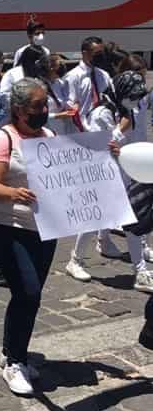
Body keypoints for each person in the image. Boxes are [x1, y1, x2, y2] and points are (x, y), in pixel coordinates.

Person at [0, 78, 57, 396]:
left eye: (45, 104)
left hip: (45, 229)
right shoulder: (3, 139)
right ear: (18, 109)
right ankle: (14, 361)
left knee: (32, 295)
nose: (44, 110)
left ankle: (15, 353)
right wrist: (14, 192)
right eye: (37, 106)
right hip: (10, 228)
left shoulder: (50, 136)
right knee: (27, 292)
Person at [65, 71, 153, 292]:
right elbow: (98, 145)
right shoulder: (101, 113)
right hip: (103, 175)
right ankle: (75, 260)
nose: (135, 101)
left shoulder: (127, 110)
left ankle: (140, 271)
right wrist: (119, 133)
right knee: (94, 219)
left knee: (134, 220)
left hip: (124, 172)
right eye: (131, 96)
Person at [65, 36, 112, 130]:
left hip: (103, 126)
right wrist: (84, 126)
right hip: (82, 129)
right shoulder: (73, 77)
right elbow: (70, 106)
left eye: (102, 53)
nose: (100, 56)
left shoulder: (104, 75)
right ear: (85, 53)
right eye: (97, 53)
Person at [35, 53, 78, 136]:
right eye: (59, 64)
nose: (63, 67)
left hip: (62, 129)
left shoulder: (59, 83)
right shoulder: (37, 86)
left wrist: (74, 106)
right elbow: (36, 115)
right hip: (46, 130)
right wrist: (57, 115)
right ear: (51, 68)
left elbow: (66, 101)